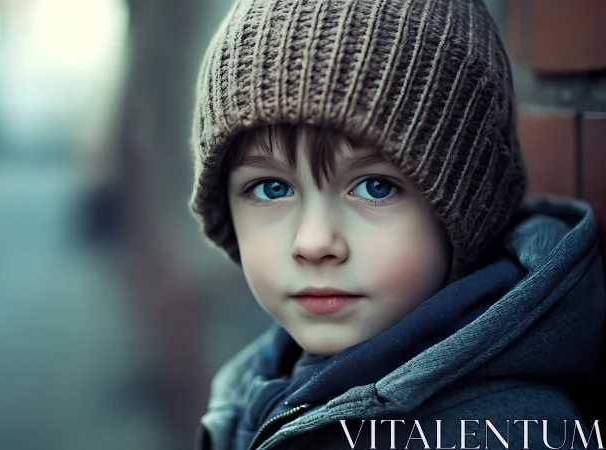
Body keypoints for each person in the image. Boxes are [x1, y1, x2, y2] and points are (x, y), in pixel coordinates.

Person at [187, 0, 606, 449]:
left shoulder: (506, 433)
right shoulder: (256, 385)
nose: (313, 243)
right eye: (272, 188)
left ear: (465, 211)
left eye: (375, 188)